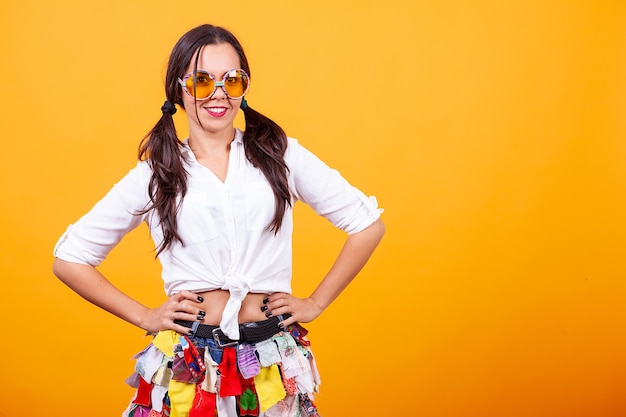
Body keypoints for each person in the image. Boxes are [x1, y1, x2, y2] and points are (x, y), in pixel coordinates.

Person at [52, 23, 384, 417]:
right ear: (179, 90)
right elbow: (70, 258)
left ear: (244, 86)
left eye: (232, 80)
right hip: (190, 365)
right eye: (202, 81)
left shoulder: (280, 155)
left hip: (269, 364)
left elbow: (367, 224)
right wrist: (144, 316)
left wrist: (316, 302)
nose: (219, 93)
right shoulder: (157, 172)